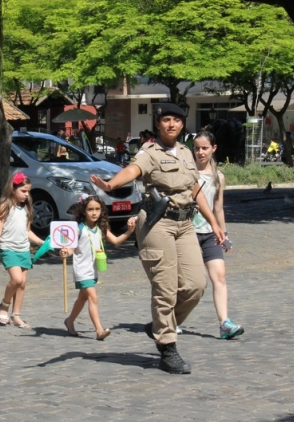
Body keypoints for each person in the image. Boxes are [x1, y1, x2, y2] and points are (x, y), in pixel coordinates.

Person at [91, 103, 225, 374]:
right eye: (166, 120)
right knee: (165, 287)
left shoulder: (187, 152)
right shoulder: (150, 152)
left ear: (182, 125)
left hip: (185, 224)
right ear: (158, 124)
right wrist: (111, 184)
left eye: (176, 120)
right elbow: (133, 170)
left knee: (195, 285)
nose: (172, 124)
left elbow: (195, 189)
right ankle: (167, 346)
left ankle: (157, 327)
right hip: (157, 223)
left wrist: (214, 224)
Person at [61, 194, 137, 340]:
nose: (94, 213)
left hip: (93, 269)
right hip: (82, 270)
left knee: (82, 299)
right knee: (93, 297)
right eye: (90, 209)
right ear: (84, 211)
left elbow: (115, 240)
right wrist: (66, 252)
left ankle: (69, 321)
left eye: (97, 209)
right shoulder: (78, 229)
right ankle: (99, 330)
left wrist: (129, 231)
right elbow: (70, 249)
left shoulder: (101, 228)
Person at [192, 131, 244, 339]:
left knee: (219, 277)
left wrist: (224, 233)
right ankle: (172, 321)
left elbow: (218, 208)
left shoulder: (218, 176)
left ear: (214, 149)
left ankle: (224, 323)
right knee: (191, 282)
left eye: (204, 148)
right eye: (196, 148)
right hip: (188, 233)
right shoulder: (188, 173)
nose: (200, 152)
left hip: (210, 234)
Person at [0, 172, 44, 329]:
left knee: (22, 284)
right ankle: (4, 305)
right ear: (13, 189)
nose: (27, 195)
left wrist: (41, 242)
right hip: (8, 248)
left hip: (23, 249)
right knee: (16, 279)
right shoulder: (5, 206)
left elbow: (28, 231)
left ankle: (17, 315)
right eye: (23, 191)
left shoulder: (26, 209)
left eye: (28, 191)